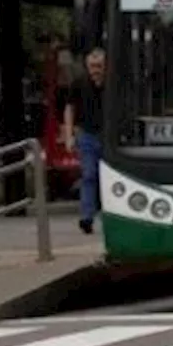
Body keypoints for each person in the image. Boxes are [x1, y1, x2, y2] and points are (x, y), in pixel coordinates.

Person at [64, 48, 105, 234]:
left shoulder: (112, 83)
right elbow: (69, 108)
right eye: (92, 66)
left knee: (106, 177)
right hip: (87, 134)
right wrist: (69, 135)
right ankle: (87, 217)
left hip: (107, 135)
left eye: (99, 66)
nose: (95, 70)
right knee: (89, 175)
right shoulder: (79, 83)